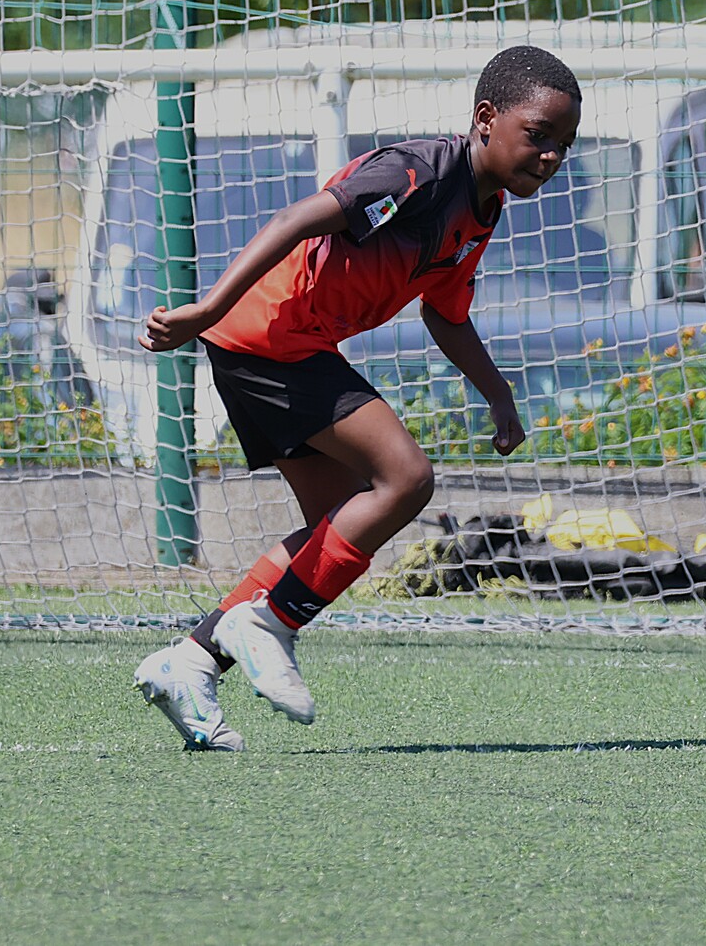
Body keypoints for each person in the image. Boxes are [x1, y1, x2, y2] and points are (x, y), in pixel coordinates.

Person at [132, 46, 582, 750]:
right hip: (270, 336)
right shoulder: (418, 174)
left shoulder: (483, 208)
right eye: (538, 134)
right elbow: (296, 221)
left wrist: (498, 395)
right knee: (406, 478)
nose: (551, 156)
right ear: (486, 118)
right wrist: (204, 308)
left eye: (564, 144)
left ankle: (191, 662)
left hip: (278, 344)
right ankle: (270, 621)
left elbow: (445, 313)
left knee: (336, 524)